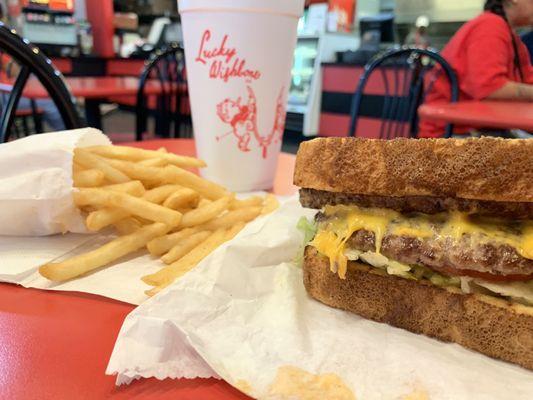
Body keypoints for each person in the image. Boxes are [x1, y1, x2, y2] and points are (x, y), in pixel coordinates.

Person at [419, 0, 533, 138]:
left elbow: (528, 81)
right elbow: (490, 88)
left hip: (479, 128)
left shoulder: (513, 38)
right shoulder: (490, 26)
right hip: (452, 135)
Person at [0, 2, 65, 132]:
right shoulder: (4, 39)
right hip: (4, 96)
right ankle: (78, 141)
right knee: (54, 103)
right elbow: (14, 71)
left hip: (6, 94)